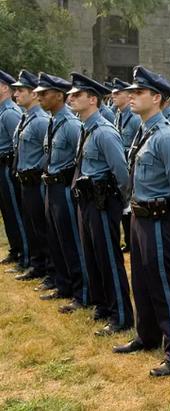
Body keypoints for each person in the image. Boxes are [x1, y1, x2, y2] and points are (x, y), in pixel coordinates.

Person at [111, 66, 170, 377]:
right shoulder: (145, 131)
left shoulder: (168, 135)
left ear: (156, 97)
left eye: (138, 92)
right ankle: (147, 335)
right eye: (130, 92)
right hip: (140, 216)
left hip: (161, 219)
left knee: (164, 283)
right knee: (142, 280)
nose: (132, 97)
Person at [67, 72, 133, 336]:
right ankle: (104, 304)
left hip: (103, 201)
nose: (71, 98)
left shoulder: (105, 132)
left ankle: (121, 314)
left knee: (108, 257)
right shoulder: (86, 128)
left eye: (77, 95)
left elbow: (122, 172)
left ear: (92, 99)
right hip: (87, 201)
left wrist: (119, 202)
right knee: (92, 255)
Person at [34, 72, 90, 310]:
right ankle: (64, 284)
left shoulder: (71, 124)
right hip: (51, 187)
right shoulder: (53, 120)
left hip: (66, 189)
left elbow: (82, 159)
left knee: (72, 242)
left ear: (59, 95)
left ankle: (82, 292)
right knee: (56, 239)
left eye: (44, 93)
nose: (40, 98)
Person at [12, 70, 55, 287]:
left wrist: (38, 170)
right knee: (31, 225)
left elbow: (48, 151)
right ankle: (37, 265)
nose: (16, 94)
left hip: (37, 181)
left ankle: (49, 270)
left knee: (42, 227)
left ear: (34, 94)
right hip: (25, 181)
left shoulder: (40, 121)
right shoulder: (26, 117)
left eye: (20, 90)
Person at [0, 70, 28, 269]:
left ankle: (24, 253)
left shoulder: (10, 112)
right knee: (7, 211)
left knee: (16, 212)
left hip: (8, 165)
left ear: (4, 88)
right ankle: (15, 249)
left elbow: (17, 143)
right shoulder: (2, 110)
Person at [111, 77, 141, 254]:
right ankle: (129, 242)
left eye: (118, 93)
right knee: (124, 207)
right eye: (113, 93)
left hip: (132, 168)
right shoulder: (118, 115)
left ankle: (132, 241)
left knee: (130, 207)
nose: (113, 96)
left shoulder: (135, 118)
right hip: (121, 166)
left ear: (128, 95)